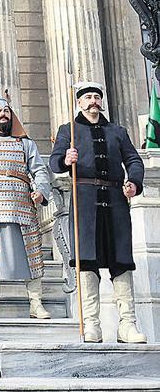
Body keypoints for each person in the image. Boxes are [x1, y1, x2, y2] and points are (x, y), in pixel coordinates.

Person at [50, 82, 146, 343]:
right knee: (87, 261)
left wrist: (134, 182)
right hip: (84, 202)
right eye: (88, 97)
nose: (93, 101)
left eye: (96, 97)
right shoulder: (68, 130)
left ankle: (127, 325)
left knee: (121, 261)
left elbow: (133, 160)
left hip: (115, 200)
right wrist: (65, 160)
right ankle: (92, 324)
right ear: (79, 102)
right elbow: (54, 162)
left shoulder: (118, 132)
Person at [0, 98, 52, 319]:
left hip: (23, 202)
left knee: (32, 253)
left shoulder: (26, 144)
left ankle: (36, 303)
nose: (3, 114)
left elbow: (39, 170)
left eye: (6, 111)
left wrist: (41, 191)